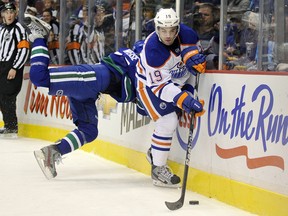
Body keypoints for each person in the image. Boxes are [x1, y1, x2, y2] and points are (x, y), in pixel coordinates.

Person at [24, 13, 139, 180]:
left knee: (89, 131)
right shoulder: (144, 58)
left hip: (93, 89)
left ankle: (52, 153)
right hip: (91, 77)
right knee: (39, 77)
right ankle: (39, 36)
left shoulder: (144, 61)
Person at [136, 8, 206, 188]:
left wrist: (196, 64)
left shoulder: (188, 35)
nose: (167, 35)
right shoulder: (153, 49)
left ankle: (154, 154)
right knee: (168, 121)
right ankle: (158, 169)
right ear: (156, 28)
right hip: (149, 85)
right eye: (163, 30)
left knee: (172, 119)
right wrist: (185, 99)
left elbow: (194, 61)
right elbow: (160, 86)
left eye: (172, 30)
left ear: (177, 28)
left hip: (176, 81)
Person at [0, 2, 30, 138]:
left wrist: (15, 67)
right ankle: (8, 125)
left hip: (11, 67)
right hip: (1, 66)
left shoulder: (19, 29)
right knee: (1, 97)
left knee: (8, 97)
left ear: (15, 13)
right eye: (6, 12)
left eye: (11, 12)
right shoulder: (1, 29)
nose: (9, 15)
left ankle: (12, 127)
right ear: (2, 15)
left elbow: (24, 49)